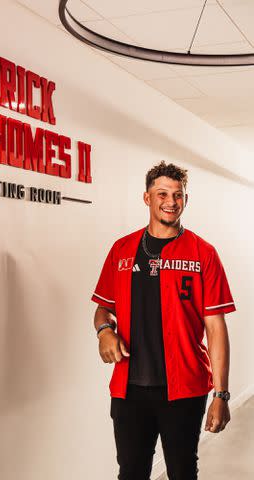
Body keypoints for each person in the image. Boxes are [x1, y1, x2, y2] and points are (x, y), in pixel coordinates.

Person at [91, 161, 236, 480]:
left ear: (186, 199)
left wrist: (221, 395)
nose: (171, 201)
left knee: (183, 471)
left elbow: (216, 327)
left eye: (178, 194)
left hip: (185, 388)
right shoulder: (122, 250)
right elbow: (103, 309)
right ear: (147, 198)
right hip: (128, 389)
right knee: (131, 472)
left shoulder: (203, 253)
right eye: (162, 193)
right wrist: (104, 331)